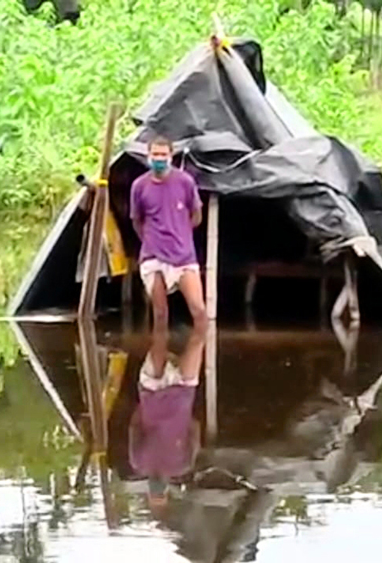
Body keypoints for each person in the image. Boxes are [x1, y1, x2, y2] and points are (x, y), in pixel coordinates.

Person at [130, 136, 208, 331]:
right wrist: (150, 240)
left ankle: (199, 349)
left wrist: (180, 233)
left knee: (198, 310)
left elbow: (197, 215)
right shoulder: (139, 186)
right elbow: (136, 220)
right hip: (153, 256)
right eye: (155, 154)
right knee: (160, 313)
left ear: (171, 156)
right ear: (147, 156)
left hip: (183, 256)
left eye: (163, 154)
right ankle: (159, 355)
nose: (159, 158)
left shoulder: (185, 182)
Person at [128, 327, 205, 519]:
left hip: (152, 391)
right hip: (183, 391)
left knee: (160, 338)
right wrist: (183, 414)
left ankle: (163, 302)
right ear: (166, 490)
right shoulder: (183, 464)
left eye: (154, 493)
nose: (157, 489)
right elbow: (195, 431)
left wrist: (145, 404)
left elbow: (134, 427)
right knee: (198, 338)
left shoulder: (138, 462)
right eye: (160, 494)